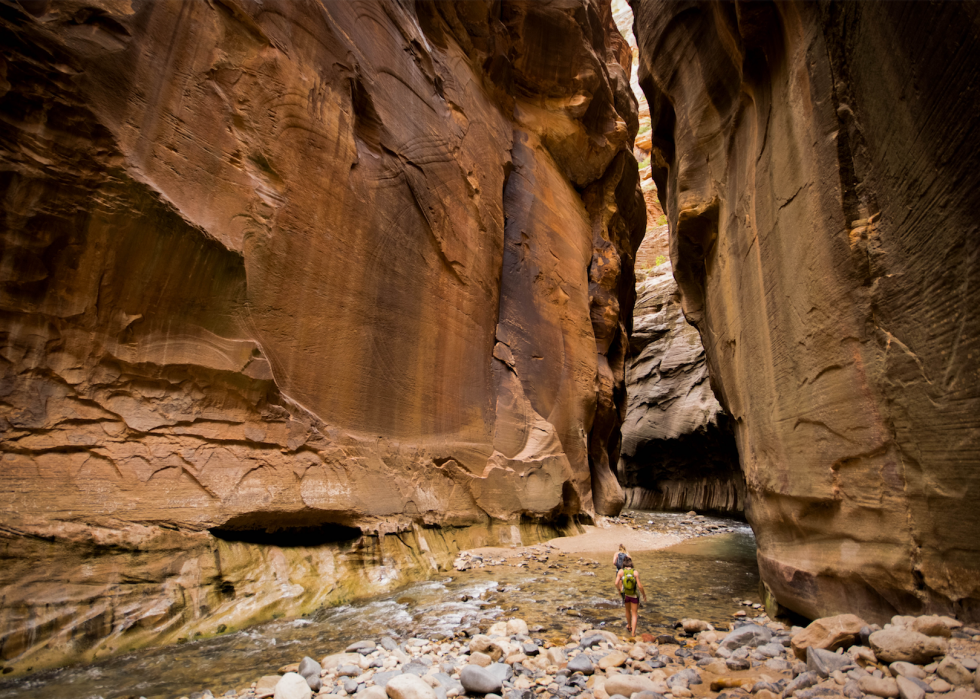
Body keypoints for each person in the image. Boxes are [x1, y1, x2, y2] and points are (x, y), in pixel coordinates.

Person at [615, 555, 647, 637]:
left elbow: (616, 583)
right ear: (631, 563)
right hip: (634, 596)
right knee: (634, 614)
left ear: (624, 564)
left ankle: (629, 626)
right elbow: (640, 586)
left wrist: (620, 590)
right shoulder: (635, 572)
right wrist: (644, 594)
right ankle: (633, 633)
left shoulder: (621, 571)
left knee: (627, 611)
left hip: (626, 595)